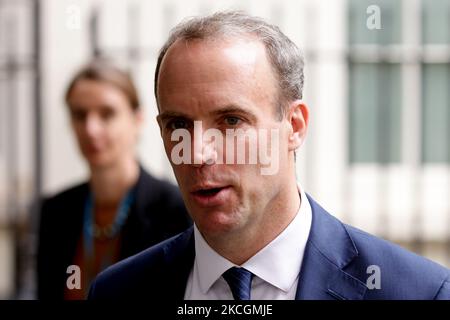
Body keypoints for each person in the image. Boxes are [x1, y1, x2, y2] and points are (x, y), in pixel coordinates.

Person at [88, 11, 450, 300]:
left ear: (294, 126)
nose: (197, 152)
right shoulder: (118, 291)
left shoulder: (416, 291)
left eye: (230, 121)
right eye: (177, 124)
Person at [37, 60, 191, 299]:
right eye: (80, 115)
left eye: (107, 114)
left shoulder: (175, 208)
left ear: (137, 120)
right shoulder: (56, 210)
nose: (91, 128)